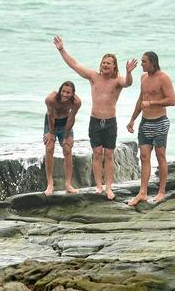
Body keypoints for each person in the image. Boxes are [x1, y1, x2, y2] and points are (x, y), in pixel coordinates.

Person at [54, 36, 137, 200]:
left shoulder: (117, 81)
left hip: (110, 122)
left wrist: (128, 72)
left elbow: (128, 83)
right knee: (97, 154)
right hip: (95, 121)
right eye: (103, 62)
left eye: (108, 63)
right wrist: (62, 50)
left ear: (114, 66)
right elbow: (75, 65)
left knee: (109, 155)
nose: (105, 64)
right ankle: (99, 186)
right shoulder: (94, 77)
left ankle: (109, 187)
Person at [126, 52, 175, 206]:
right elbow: (141, 100)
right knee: (144, 157)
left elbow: (172, 100)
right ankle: (143, 192)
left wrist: (152, 103)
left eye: (144, 61)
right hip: (145, 122)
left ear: (153, 62)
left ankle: (161, 192)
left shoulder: (163, 78)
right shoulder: (143, 78)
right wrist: (132, 119)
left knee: (160, 156)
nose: (141, 64)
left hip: (160, 123)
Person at [43, 81, 82, 196]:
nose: (65, 94)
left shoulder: (76, 102)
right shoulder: (51, 99)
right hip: (51, 122)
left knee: (67, 149)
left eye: (68, 92)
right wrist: (51, 133)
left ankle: (68, 184)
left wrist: (67, 136)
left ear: (73, 93)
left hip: (65, 122)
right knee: (49, 147)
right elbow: (50, 115)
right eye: (63, 91)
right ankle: (50, 184)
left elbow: (71, 118)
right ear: (60, 91)